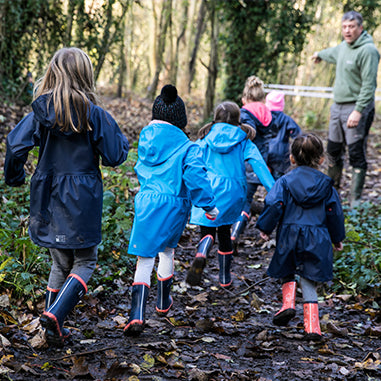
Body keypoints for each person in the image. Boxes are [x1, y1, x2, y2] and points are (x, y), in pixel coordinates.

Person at [4, 47, 129, 347]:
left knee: (60, 263)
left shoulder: (40, 111)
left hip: (47, 194)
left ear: (52, 73)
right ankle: (56, 316)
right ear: (86, 76)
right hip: (82, 198)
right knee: (85, 261)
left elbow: (14, 146)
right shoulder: (93, 114)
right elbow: (115, 155)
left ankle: (51, 329)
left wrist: (15, 177)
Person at [124, 84, 218, 336]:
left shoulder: (146, 142)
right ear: (181, 120)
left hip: (145, 202)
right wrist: (208, 206)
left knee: (144, 258)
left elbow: (140, 170)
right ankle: (163, 301)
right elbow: (196, 177)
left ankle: (136, 314)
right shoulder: (188, 147)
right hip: (174, 205)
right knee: (167, 251)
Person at [256, 133, 345, 341]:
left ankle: (288, 304)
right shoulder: (326, 185)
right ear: (322, 159)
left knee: (288, 267)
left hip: (290, 233)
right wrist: (337, 237)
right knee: (309, 277)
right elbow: (334, 212)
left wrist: (266, 227)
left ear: (292, 158)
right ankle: (312, 326)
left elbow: (274, 204)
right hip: (318, 235)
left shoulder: (285, 182)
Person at [186, 101, 275, 288]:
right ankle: (225, 278)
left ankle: (202, 251)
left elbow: (191, 161)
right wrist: (274, 190)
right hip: (233, 191)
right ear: (238, 119)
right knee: (225, 231)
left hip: (209, 188)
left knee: (207, 229)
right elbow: (259, 165)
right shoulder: (244, 140)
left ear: (215, 118)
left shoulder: (205, 137)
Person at [311, 10, 380, 208]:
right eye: (344, 27)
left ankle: (355, 202)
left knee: (356, 153)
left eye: (351, 27)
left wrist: (358, 111)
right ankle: (332, 194)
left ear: (361, 28)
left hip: (357, 106)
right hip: (337, 106)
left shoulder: (368, 51)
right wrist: (319, 55)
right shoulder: (343, 47)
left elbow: (369, 86)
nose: (347, 31)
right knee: (333, 149)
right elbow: (332, 52)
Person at [231, 75, 276, 251]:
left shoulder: (244, 113)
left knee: (242, 200)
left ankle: (234, 232)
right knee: (247, 200)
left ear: (245, 98)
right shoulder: (268, 113)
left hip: (245, 162)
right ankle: (237, 231)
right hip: (260, 163)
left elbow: (245, 135)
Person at [265, 90, 302, 179]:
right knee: (279, 180)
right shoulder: (286, 120)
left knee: (267, 179)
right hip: (281, 155)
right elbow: (298, 134)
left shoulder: (264, 118)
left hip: (266, 152)